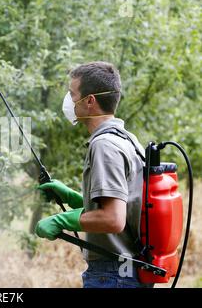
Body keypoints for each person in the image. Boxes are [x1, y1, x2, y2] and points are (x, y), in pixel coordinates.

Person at [35, 61, 153, 288]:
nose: (68, 101)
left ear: (90, 101)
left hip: (113, 275)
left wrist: (60, 220)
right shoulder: (127, 139)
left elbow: (113, 219)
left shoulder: (104, 145)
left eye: (72, 94)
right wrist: (72, 197)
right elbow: (124, 208)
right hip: (126, 271)